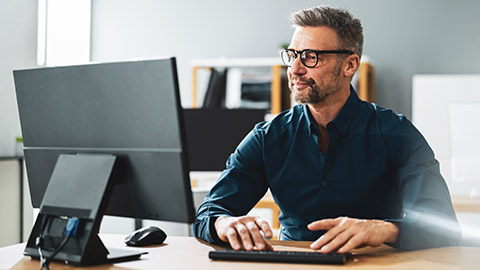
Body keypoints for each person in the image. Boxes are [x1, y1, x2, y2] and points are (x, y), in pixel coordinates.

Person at [193, 6, 461, 253]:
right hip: (292, 265)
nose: (295, 69)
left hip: (372, 265)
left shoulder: (397, 134)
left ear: (350, 65)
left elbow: (443, 227)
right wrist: (224, 224)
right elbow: (209, 213)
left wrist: (383, 228)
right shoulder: (267, 137)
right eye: (292, 55)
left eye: (311, 57)